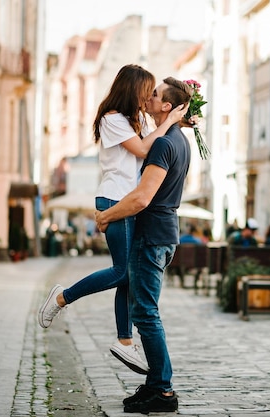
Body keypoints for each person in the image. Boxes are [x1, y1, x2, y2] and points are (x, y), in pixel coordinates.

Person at [38, 64, 187, 376]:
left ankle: (124, 340)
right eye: (147, 90)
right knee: (123, 271)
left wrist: (179, 121)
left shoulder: (138, 120)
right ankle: (63, 297)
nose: (149, 97)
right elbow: (146, 148)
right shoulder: (113, 119)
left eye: (153, 93)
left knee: (130, 274)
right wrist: (170, 120)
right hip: (115, 198)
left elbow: (159, 139)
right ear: (133, 89)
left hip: (128, 202)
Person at [94, 76, 192, 414]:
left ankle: (162, 390)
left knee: (146, 313)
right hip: (165, 234)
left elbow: (141, 197)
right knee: (145, 309)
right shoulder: (179, 141)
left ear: (167, 106)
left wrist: (107, 216)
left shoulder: (163, 145)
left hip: (151, 235)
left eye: (155, 95)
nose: (148, 98)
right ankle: (154, 385)